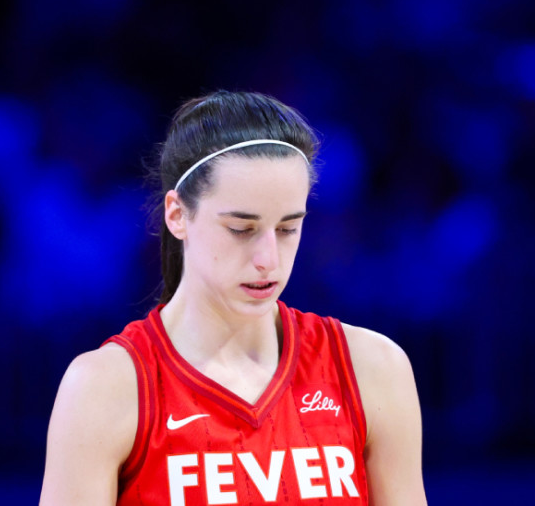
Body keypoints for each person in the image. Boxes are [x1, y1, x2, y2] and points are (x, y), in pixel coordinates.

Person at [39, 90, 427, 506]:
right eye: (241, 229)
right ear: (177, 215)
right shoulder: (105, 389)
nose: (268, 260)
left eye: (287, 228)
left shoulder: (372, 368)